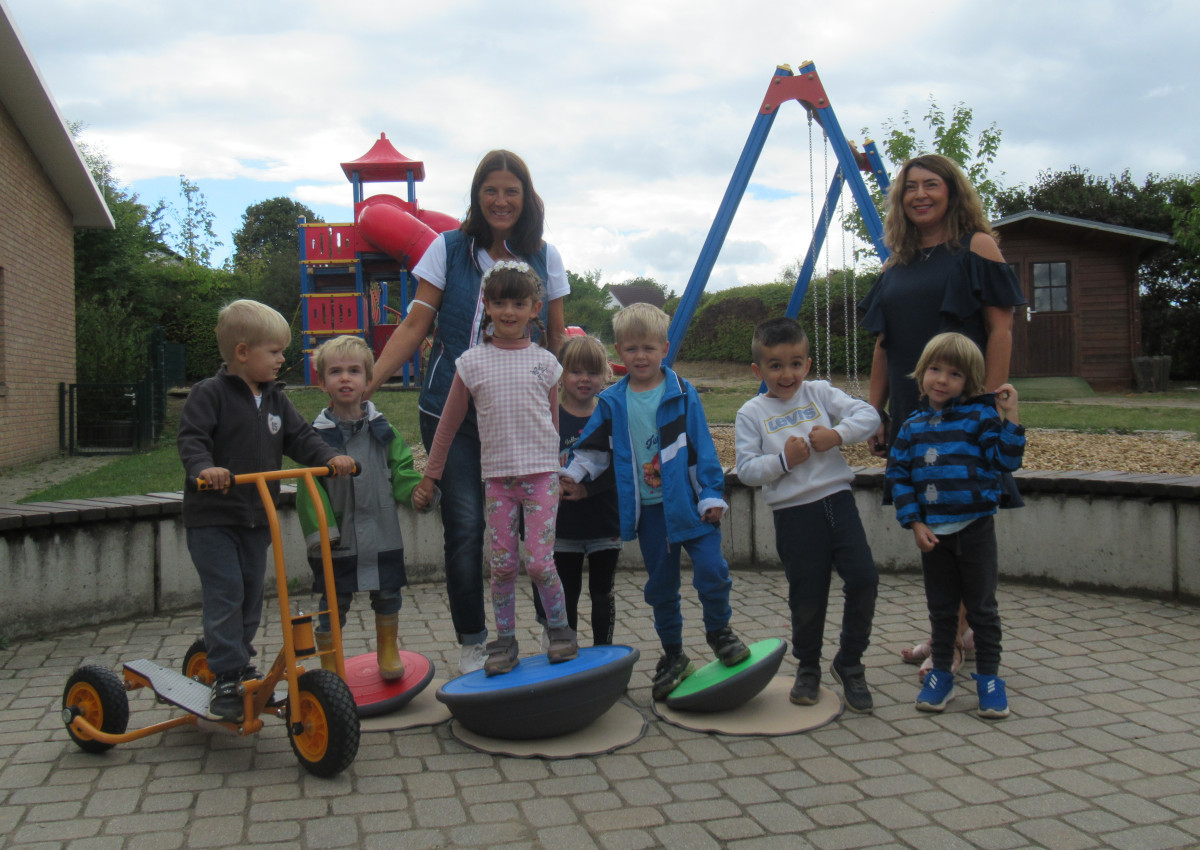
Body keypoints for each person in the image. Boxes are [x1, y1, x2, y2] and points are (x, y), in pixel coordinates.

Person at [365, 150, 568, 674]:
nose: (501, 200)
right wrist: (368, 385)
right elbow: (414, 325)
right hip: (451, 415)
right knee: (466, 531)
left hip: (521, 418)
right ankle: (475, 643)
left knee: (536, 539)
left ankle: (554, 633)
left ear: (526, 198)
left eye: (511, 191)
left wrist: (581, 397)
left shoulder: (546, 257)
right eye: (491, 190)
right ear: (478, 196)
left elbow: (557, 339)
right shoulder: (448, 249)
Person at [858, 153, 1026, 677]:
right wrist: (876, 410)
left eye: (932, 185)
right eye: (911, 187)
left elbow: (1000, 330)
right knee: (930, 520)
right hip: (913, 410)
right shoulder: (895, 262)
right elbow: (885, 345)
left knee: (962, 518)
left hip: (964, 409)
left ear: (952, 191)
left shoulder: (977, 246)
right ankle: (956, 628)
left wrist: (987, 403)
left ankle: (949, 640)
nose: (920, 195)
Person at [561, 303, 750, 701]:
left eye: (648, 348)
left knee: (712, 571)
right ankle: (674, 655)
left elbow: (702, 447)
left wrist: (712, 493)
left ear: (664, 348)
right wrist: (573, 476)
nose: (640, 356)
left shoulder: (682, 393)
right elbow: (594, 449)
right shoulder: (612, 401)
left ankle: (719, 630)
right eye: (631, 349)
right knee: (661, 588)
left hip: (691, 504)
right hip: (650, 513)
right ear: (619, 353)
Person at [178, 300, 355, 723]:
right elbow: (192, 440)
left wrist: (331, 458)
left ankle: (237, 661)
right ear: (243, 353)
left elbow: (301, 438)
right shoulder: (211, 394)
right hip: (213, 519)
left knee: (252, 598)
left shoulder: (275, 400)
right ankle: (226, 675)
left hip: (257, 518)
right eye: (274, 352)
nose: (282, 359)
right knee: (227, 595)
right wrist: (206, 468)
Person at [413, 262, 577, 676]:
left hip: (541, 476)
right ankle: (504, 640)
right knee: (502, 565)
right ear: (485, 305)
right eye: (499, 302)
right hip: (498, 481)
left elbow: (554, 422)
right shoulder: (471, 363)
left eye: (518, 303)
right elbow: (447, 426)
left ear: (534, 308)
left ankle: (559, 628)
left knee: (540, 563)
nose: (508, 311)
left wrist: (562, 468)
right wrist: (432, 475)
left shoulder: (547, 364)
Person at [734, 317, 881, 713]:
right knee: (808, 594)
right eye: (776, 365)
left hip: (837, 501)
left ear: (808, 364)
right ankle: (809, 667)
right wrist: (783, 460)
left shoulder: (819, 393)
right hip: (794, 515)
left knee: (864, 579)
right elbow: (746, 470)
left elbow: (869, 416)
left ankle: (849, 662)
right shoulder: (751, 412)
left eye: (796, 363)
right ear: (758, 370)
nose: (787, 374)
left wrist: (837, 435)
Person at [887, 332, 1024, 718]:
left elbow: (1006, 461)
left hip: (976, 528)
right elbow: (899, 477)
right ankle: (942, 676)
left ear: (970, 382)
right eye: (935, 369)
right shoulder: (911, 426)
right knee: (942, 610)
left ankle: (990, 681)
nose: (942, 380)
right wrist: (913, 523)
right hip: (933, 534)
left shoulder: (979, 416)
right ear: (922, 372)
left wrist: (1010, 417)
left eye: (954, 374)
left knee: (982, 608)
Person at [296, 335, 433, 681]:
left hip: (382, 532)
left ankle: (387, 651)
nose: (345, 378)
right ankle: (331, 664)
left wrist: (415, 492)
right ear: (322, 381)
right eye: (336, 371)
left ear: (367, 379)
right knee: (333, 603)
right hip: (338, 540)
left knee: (388, 594)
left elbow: (401, 468)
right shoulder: (315, 438)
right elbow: (308, 488)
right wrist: (322, 531)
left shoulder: (383, 431)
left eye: (354, 371)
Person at [531, 334, 622, 647]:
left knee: (602, 593)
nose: (584, 379)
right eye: (575, 371)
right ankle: (566, 656)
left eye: (593, 372)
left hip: (604, 524)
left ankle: (605, 657)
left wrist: (589, 489)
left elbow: (624, 465)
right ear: (560, 373)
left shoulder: (611, 415)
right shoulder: (547, 416)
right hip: (561, 529)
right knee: (565, 595)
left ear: (605, 376)